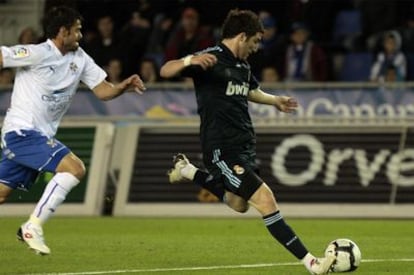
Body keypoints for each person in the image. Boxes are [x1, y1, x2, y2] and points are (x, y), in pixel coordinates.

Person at [160, 9, 335, 275]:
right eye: (254, 42)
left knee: (238, 204)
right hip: (221, 147)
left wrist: (274, 100)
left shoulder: (242, 66)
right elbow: (165, 70)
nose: (256, 48)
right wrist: (189, 60)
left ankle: (187, 170)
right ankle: (312, 262)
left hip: (244, 145)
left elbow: (250, 91)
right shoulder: (210, 59)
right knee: (266, 200)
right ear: (242, 36)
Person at [0, 6, 145, 255]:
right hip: (21, 133)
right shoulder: (37, 53)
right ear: (62, 31)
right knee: (75, 168)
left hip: (39, 137)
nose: (80, 35)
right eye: (77, 31)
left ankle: (31, 226)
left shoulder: (80, 58)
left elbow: (102, 90)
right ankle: (32, 227)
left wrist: (122, 86)